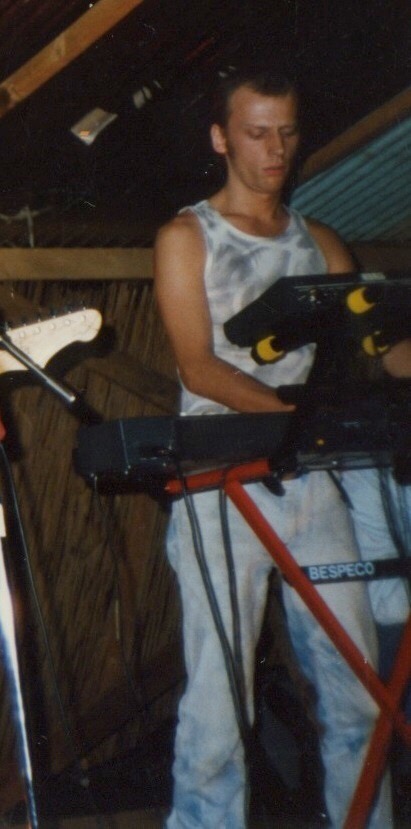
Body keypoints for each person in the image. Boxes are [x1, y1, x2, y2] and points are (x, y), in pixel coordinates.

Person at [154, 68, 393, 828]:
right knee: (218, 707)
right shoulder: (186, 237)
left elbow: (378, 349)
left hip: (311, 482)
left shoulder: (320, 243)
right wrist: (300, 418)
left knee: (359, 691)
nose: (275, 149)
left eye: (286, 132)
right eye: (257, 133)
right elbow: (199, 367)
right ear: (220, 138)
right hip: (219, 483)